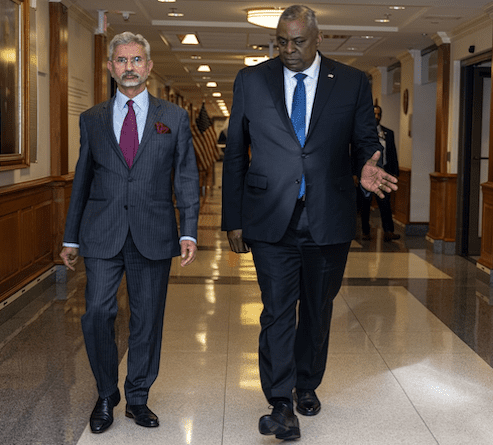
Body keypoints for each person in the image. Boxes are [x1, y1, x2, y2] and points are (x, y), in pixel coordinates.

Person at [221, 5, 398, 440]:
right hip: (269, 219)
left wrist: (367, 166)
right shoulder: (252, 80)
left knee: (317, 311)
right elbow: (235, 153)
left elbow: (363, 141)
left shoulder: (353, 81)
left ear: (319, 39)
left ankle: (306, 383)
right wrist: (233, 218)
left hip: (328, 216)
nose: (288, 50)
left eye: (298, 41)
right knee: (277, 312)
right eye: (281, 42)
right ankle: (280, 402)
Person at [60, 32, 200, 434]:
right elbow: (82, 180)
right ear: (110, 67)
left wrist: (188, 230)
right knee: (97, 313)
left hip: (154, 232)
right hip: (102, 233)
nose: (129, 68)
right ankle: (106, 392)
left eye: (136, 60)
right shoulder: (93, 119)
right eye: (121, 61)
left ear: (149, 66)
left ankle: (138, 396)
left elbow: (186, 176)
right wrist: (71, 237)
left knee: (147, 318)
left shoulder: (172, 117)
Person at [358, 105, 400, 241]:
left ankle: (388, 231)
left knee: (385, 203)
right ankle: (365, 231)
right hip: (367, 176)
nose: (377, 117)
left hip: (384, 174)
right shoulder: (362, 133)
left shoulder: (388, 133)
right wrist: (354, 173)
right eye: (374, 114)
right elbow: (356, 154)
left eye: (379, 114)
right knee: (366, 204)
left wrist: (394, 172)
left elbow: (392, 153)